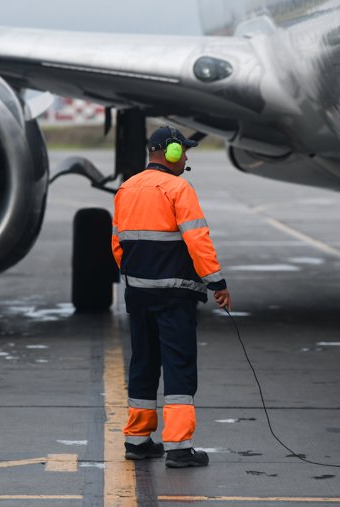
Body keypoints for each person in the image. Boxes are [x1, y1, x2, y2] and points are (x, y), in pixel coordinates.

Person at [111, 125, 231, 468]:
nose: (187, 157)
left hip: (138, 294)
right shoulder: (178, 188)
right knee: (178, 367)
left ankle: (138, 441)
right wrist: (216, 282)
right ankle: (178, 447)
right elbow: (197, 240)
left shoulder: (126, 188)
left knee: (144, 363)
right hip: (174, 295)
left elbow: (117, 246)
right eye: (184, 151)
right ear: (171, 152)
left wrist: (138, 278)